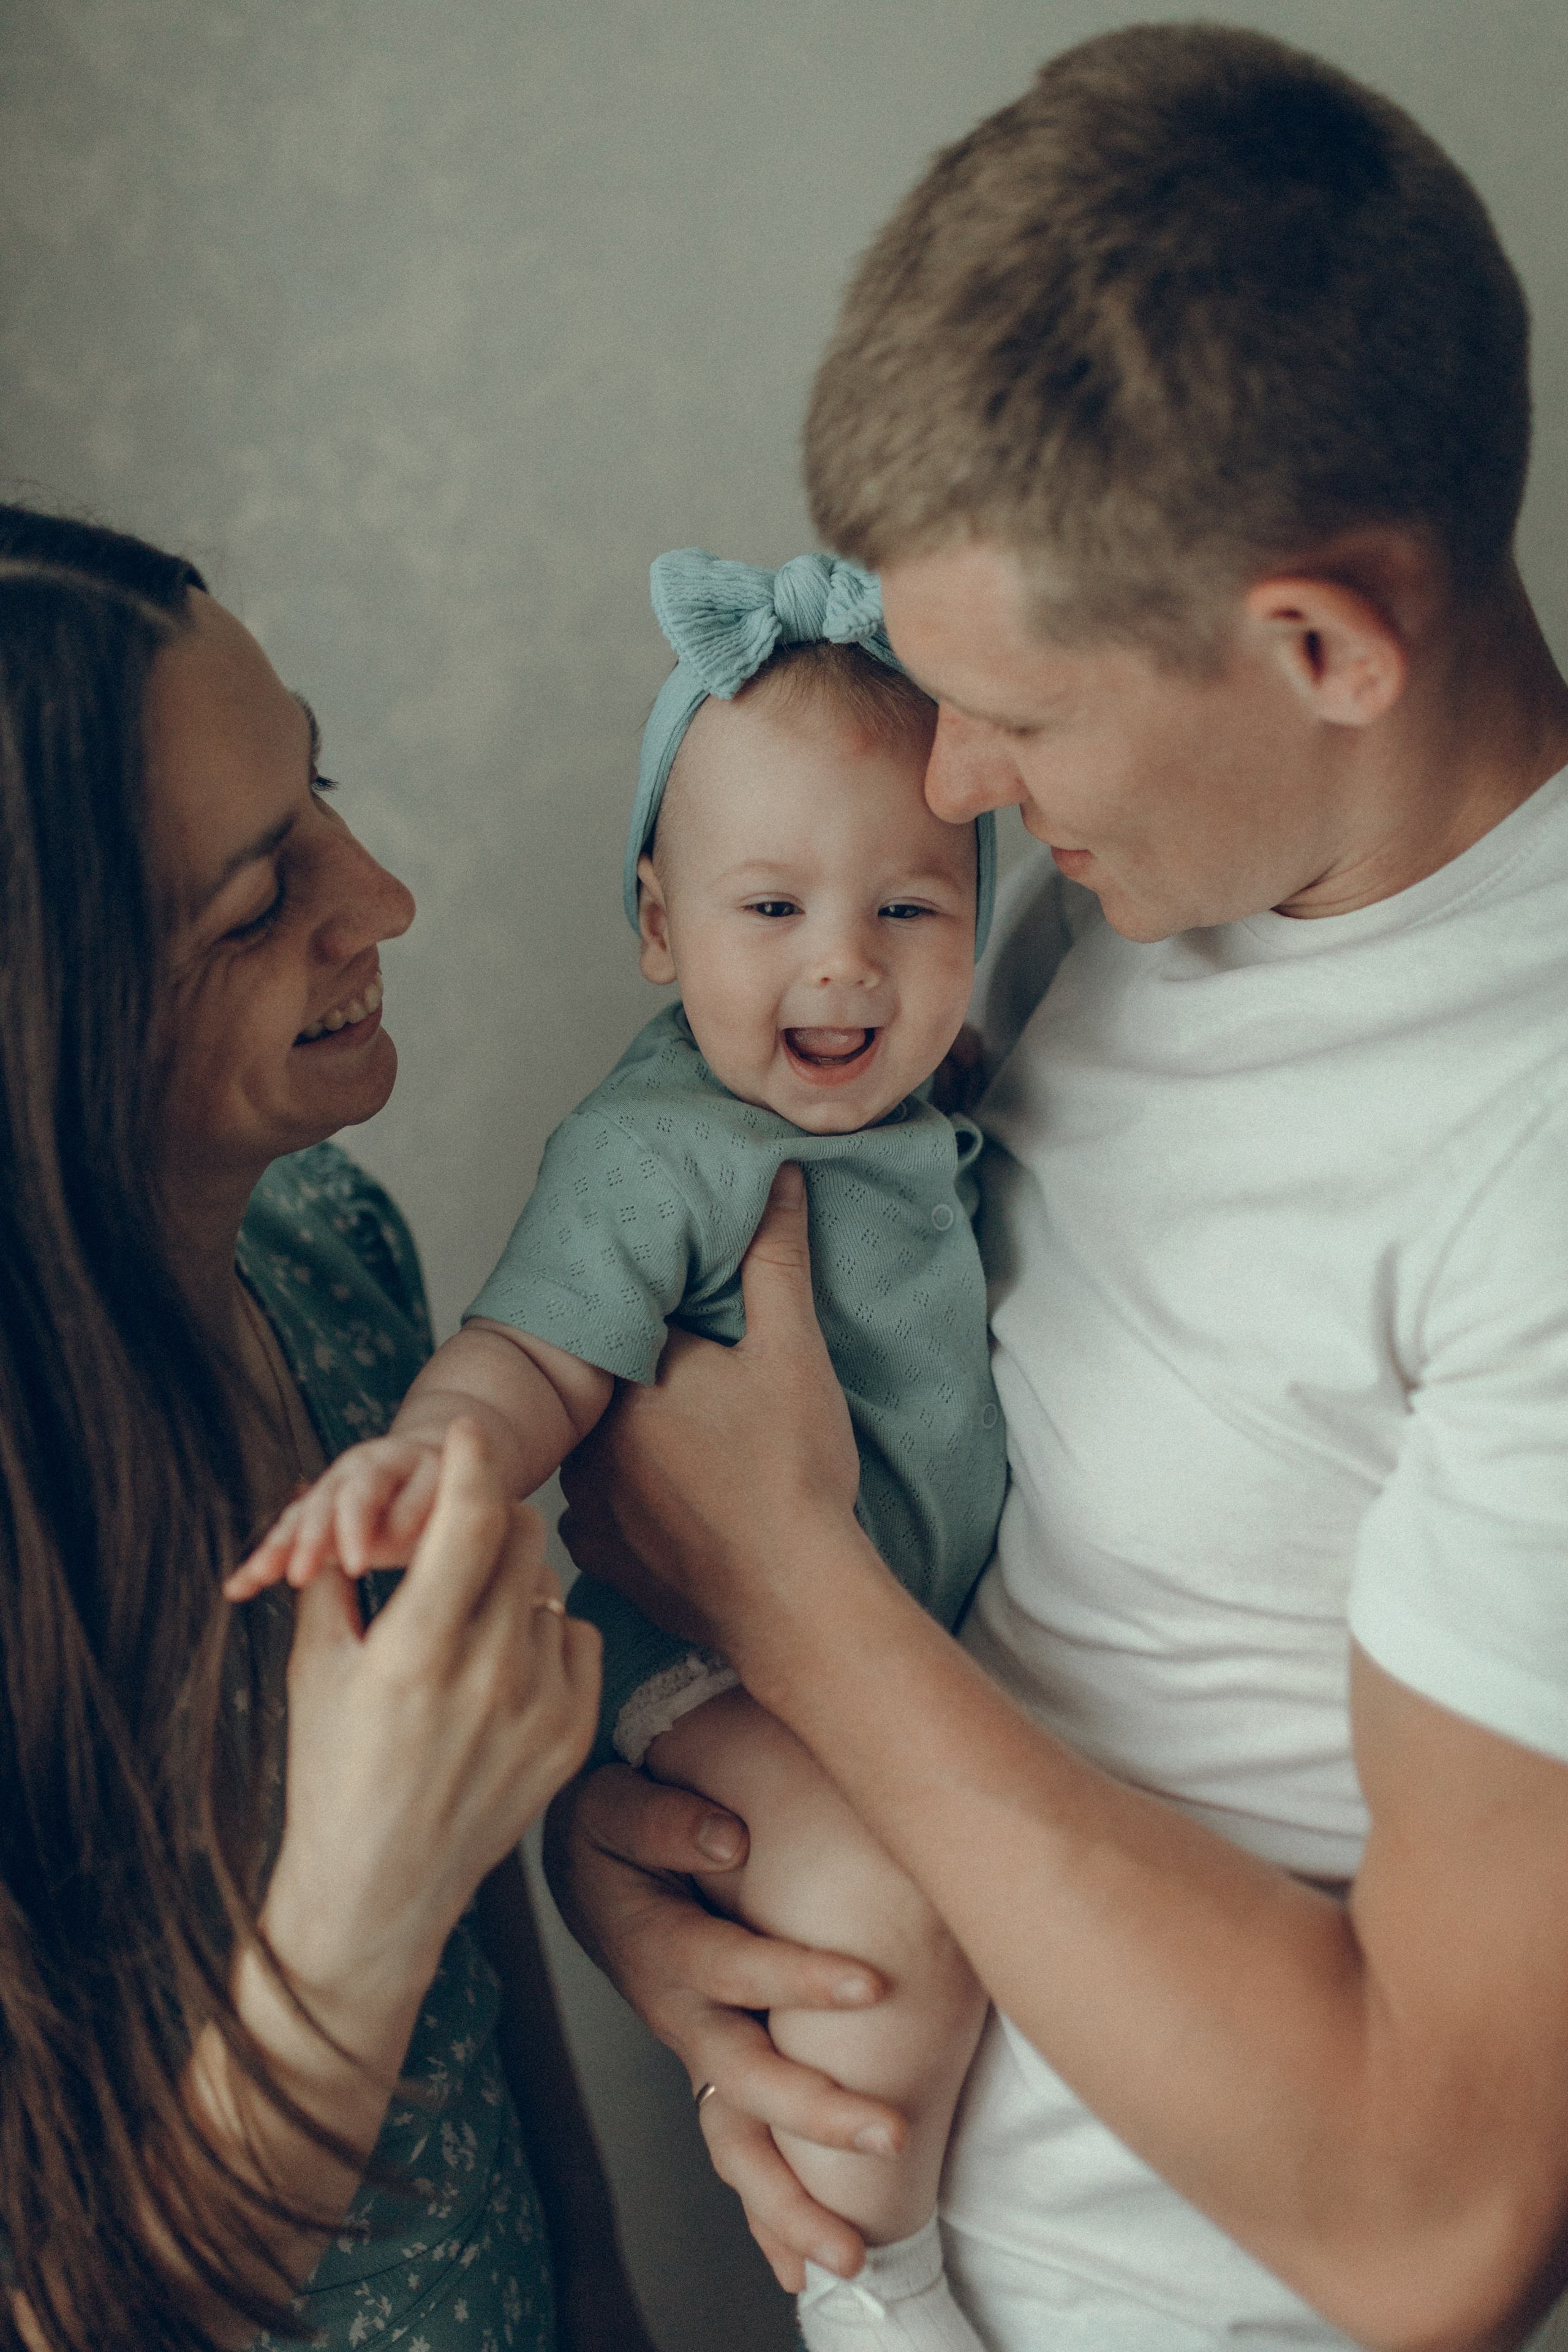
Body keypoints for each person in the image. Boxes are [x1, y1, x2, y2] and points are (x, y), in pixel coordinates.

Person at [544, 24, 1568, 2352]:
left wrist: (781, 1596)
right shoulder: (1127, 901)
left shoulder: (1540, 1151)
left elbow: (1438, 2226)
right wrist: (681, 1853)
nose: (951, 776)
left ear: (1320, 645)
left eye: (1017, 709)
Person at [233, 546, 1009, 2350]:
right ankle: (866, 2288)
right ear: (658, 927)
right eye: (770, 912)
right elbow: (528, 1354)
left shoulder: (940, 1116)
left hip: (891, 1656)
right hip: (712, 1678)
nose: (843, 964)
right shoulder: (660, 1152)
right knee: (881, 1927)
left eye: (911, 912)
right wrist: (430, 1458)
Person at [0, 503, 653, 2352]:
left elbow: (474, 1948)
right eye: (258, 894)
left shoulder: (333, 1259)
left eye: (324, 797)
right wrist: (361, 1886)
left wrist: (600, 2284)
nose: (379, 897)